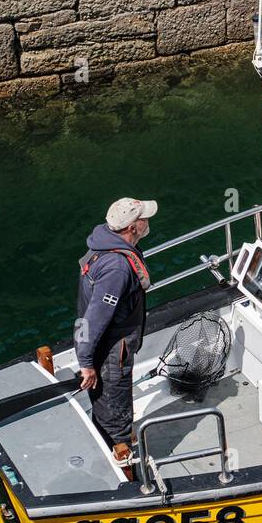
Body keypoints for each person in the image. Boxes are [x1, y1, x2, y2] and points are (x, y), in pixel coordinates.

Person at [75, 197, 157, 463]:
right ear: (132, 227)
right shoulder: (117, 267)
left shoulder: (104, 243)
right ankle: (121, 450)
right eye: (144, 218)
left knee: (109, 392)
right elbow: (96, 316)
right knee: (115, 392)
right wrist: (86, 362)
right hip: (114, 345)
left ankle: (116, 434)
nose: (148, 221)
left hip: (108, 340)